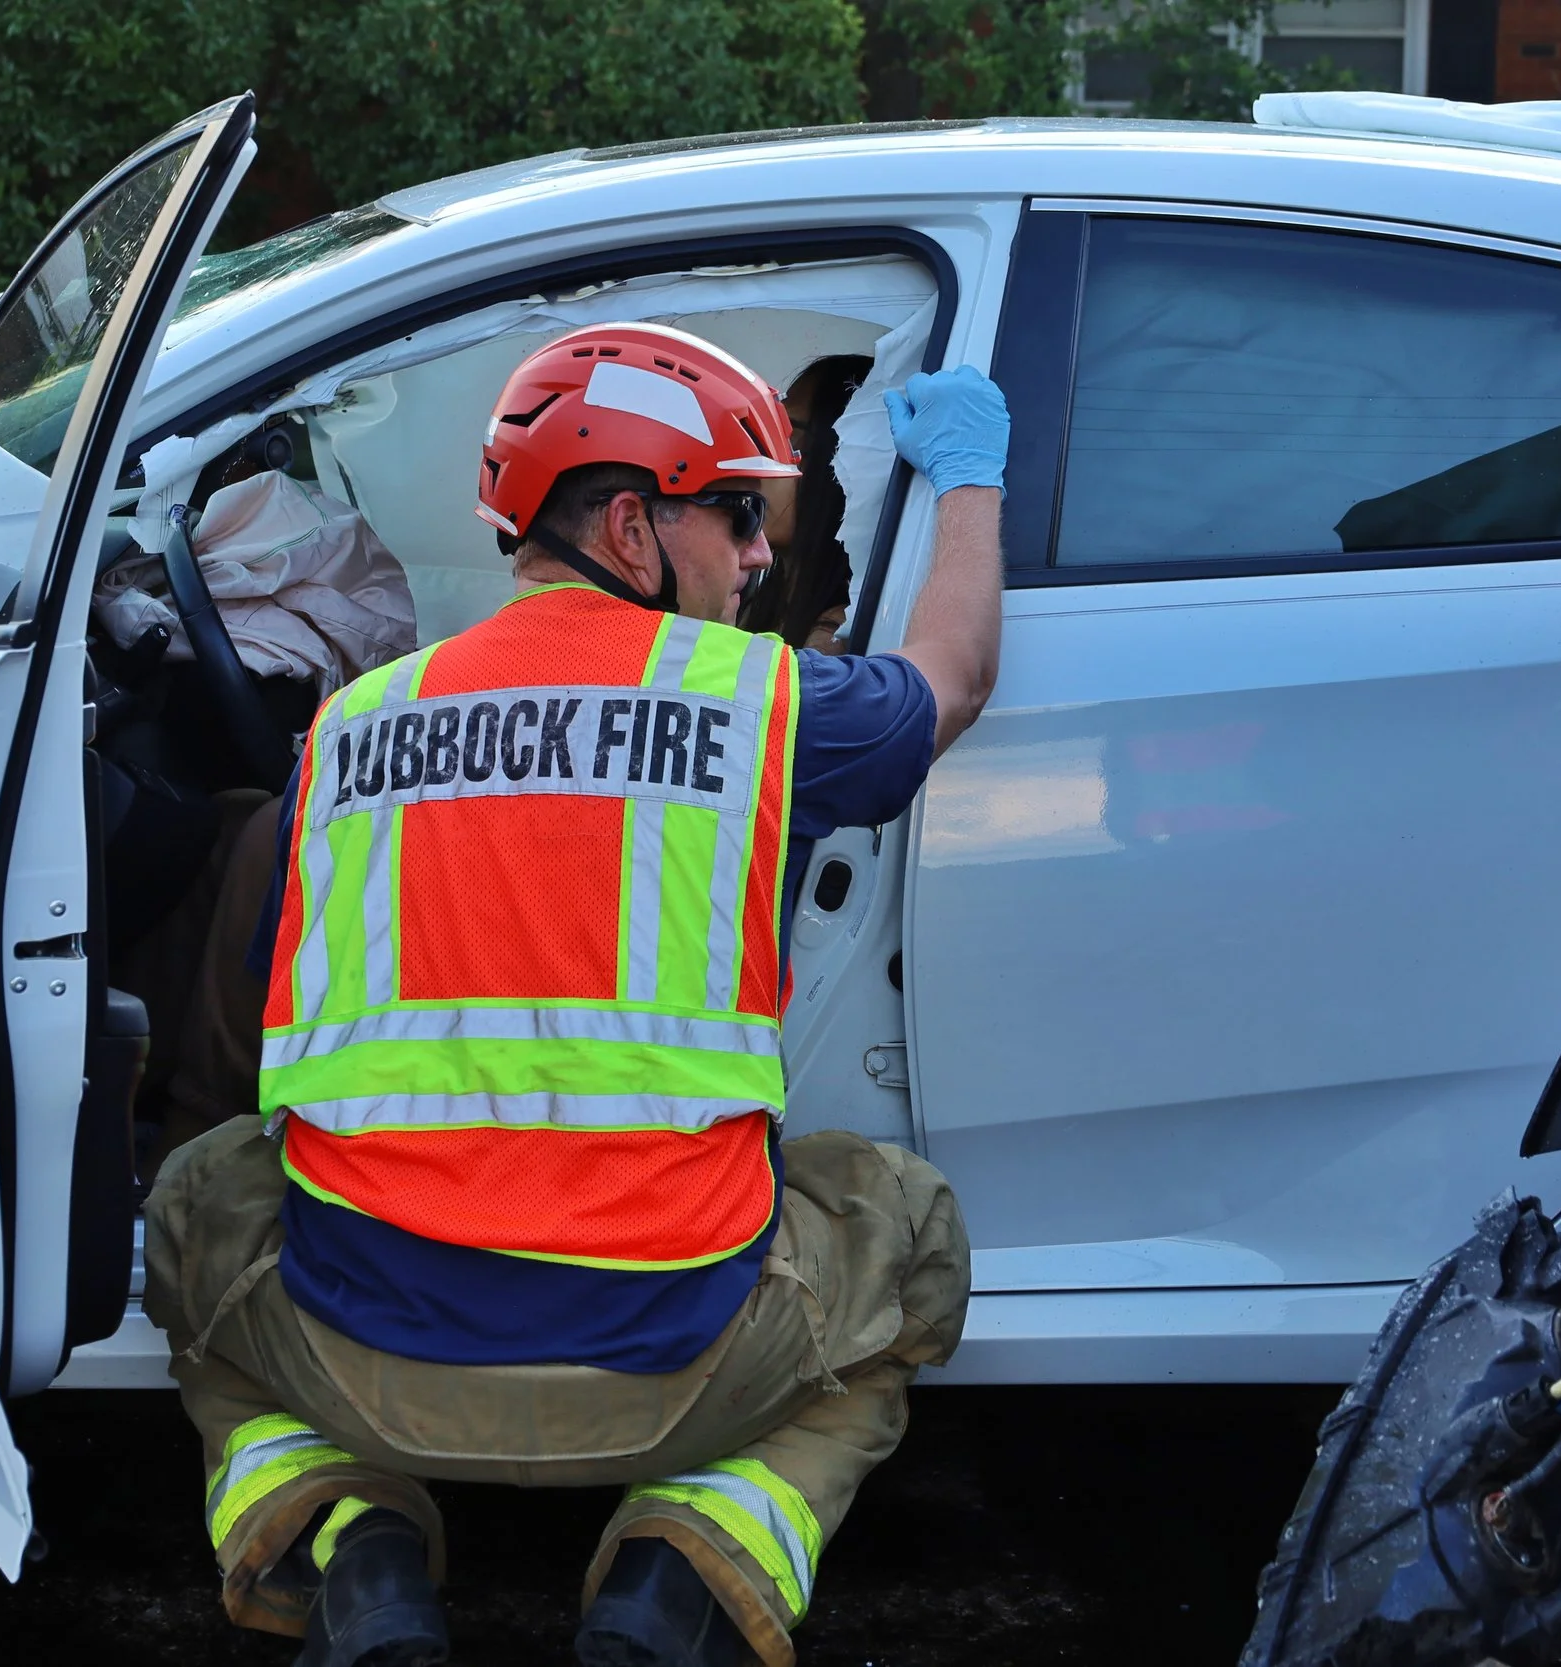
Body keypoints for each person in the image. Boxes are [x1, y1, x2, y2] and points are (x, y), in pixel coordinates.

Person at [143, 319, 1010, 1667]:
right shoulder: (761, 701)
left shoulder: (348, 727)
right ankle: (691, 1564)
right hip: (681, 1359)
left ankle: (348, 1549)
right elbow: (953, 679)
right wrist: (972, 480)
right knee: (908, 1227)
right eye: (735, 512)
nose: (763, 553)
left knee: (195, 1195)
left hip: (367, 1354)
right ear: (626, 525)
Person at [742, 354, 870, 654]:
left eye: (788, 443)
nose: (761, 465)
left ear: (841, 465)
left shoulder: (835, 634)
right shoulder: (759, 600)